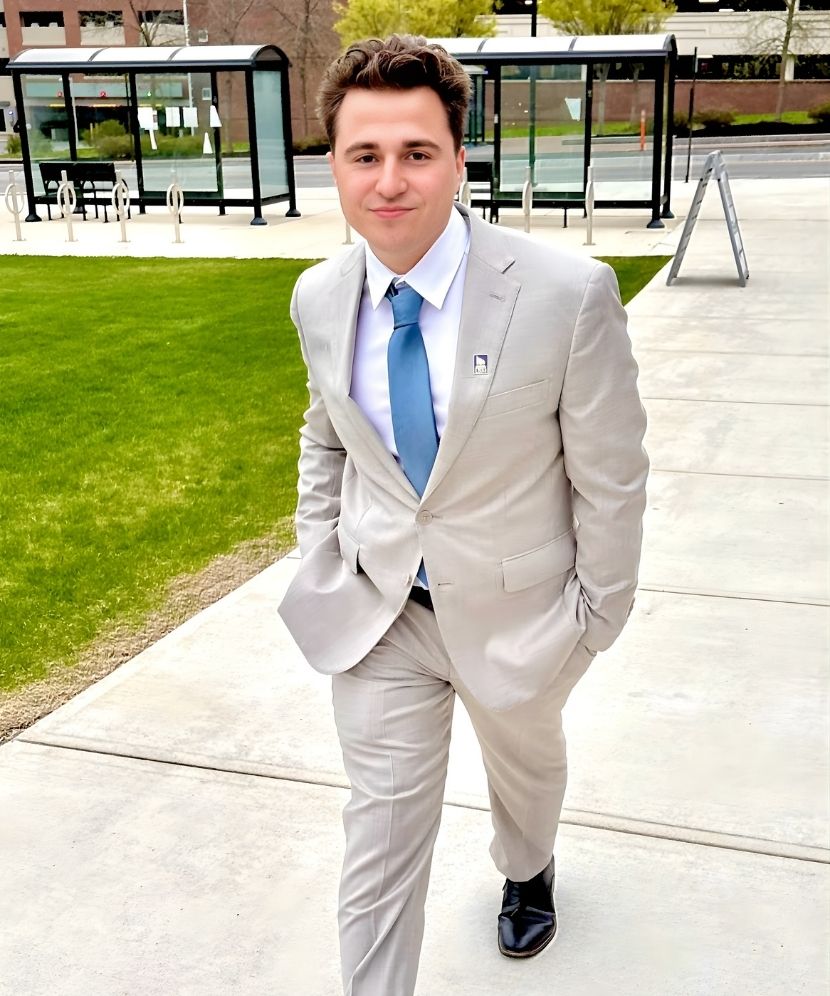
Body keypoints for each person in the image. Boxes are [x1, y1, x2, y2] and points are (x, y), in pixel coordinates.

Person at [278, 34, 649, 996]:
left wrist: (597, 616)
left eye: (416, 152)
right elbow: (328, 434)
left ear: (457, 157)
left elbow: (611, 474)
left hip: (523, 616)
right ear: (335, 165)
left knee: (525, 782)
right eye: (366, 155)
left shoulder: (567, 293)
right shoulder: (320, 295)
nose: (389, 181)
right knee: (381, 830)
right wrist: (319, 557)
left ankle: (528, 869)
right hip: (383, 616)